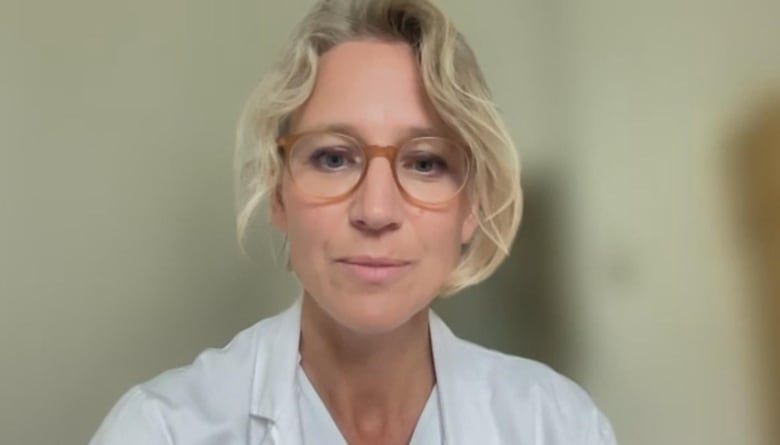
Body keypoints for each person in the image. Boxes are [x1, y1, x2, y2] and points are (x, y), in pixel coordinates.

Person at [90, 0, 617, 444]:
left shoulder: (558, 426)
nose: (376, 211)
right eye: (333, 158)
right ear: (278, 193)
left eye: (426, 162)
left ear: (471, 206)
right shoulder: (161, 430)